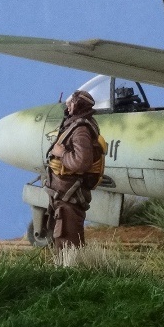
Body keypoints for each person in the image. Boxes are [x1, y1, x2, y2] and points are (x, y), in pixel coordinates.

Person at [45, 90, 106, 266]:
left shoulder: (81, 131)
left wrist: (62, 153)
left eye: (71, 102)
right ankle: (65, 270)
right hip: (63, 194)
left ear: (79, 105)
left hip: (70, 195)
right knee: (62, 238)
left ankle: (71, 274)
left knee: (68, 240)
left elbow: (81, 163)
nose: (67, 104)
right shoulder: (76, 125)